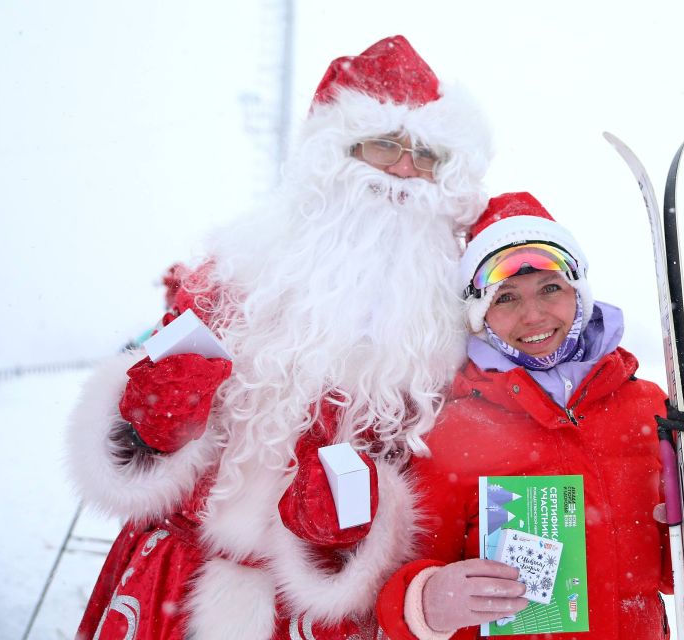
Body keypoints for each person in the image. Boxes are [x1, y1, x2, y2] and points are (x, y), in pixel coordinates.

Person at [67, 36, 491, 640]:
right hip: (175, 583)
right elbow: (130, 451)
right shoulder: (231, 279)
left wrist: (360, 527)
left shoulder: (449, 334)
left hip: (314, 616)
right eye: (386, 145)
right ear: (333, 157)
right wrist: (147, 426)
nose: (405, 170)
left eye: (426, 156)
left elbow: (442, 494)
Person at [375, 192, 684, 639]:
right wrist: (428, 601)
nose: (533, 315)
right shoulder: (453, 430)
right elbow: (397, 577)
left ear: (579, 294)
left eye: (550, 288)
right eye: (506, 297)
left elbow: (670, 573)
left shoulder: (647, 406)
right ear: (477, 314)